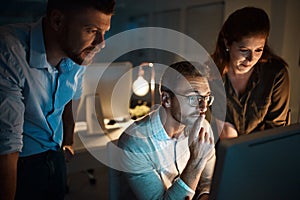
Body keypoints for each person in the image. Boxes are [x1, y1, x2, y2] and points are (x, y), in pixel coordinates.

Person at [0, 0, 115, 199]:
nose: (101, 43)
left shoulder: (77, 53)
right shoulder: (9, 49)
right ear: (57, 20)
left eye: (104, 32)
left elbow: (68, 96)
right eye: (91, 30)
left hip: (55, 156)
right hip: (19, 163)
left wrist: (68, 139)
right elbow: (6, 145)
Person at [116, 61, 216, 200]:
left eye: (206, 97)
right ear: (166, 99)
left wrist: (204, 196)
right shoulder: (135, 144)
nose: (203, 106)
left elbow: (209, 181)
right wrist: (196, 160)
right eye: (193, 98)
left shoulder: (202, 126)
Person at [211, 7, 290, 139]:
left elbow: (276, 129)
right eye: (244, 50)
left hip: (263, 151)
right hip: (220, 152)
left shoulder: (276, 74)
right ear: (227, 44)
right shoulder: (209, 74)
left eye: (259, 50)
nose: (251, 59)